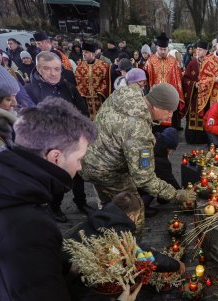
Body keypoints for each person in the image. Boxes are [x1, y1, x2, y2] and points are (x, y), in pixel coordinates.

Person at [0, 97, 97, 300]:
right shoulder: (27, 227)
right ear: (55, 157)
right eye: (79, 159)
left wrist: (62, 267)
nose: (80, 167)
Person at [80, 83, 197, 236]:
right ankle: (131, 246)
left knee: (111, 204)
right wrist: (176, 194)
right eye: (168, 110)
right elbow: (145, 179)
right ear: (154, 106)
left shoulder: (128, 92)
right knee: (134, 208)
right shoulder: (139, 133)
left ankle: (107, 224)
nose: (170, 115)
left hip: (89, 156)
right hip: (106, 170)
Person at [66, 191, 184, 300]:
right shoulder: (119, 233)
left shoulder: (95, 220)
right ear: (132, 216)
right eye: (137, 218)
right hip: (81, 288)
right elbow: (149, 257)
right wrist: (176, 265)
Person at [24, 51, 91, 222]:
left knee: (78, 174)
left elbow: (82, 110)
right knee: (57, 178)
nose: (53, 73)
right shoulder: (29, 91)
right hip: (48, 145)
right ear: (39, 69)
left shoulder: (68, 87)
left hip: (72, 139)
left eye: (57, 69)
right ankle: (54, 207)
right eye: (47, 69)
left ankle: (81, 202)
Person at [139, 127, 181, 217]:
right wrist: (181, 193)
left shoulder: (152, 140)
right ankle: (141, 208)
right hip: (137, 186)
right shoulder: (161, 161)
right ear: (168, 148)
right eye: (172, 150)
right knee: (152, 184)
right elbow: (169, 180)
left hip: (130, 178)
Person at [145, 33, 184, 129]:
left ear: (168, 49)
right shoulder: (150, 61)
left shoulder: (173, 62)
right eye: (160, 49)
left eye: (164, 49)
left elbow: (178, 81)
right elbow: (147, 79)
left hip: (169, 96)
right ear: (157, 48)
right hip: (156, 96)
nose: (162, 52)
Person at [181, 40, 209, 144]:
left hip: (206, 97)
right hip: (194, 97)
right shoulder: (192, 63)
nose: (197, 51)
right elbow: (185, 79)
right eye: (197, 49)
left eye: (200, 50)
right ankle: (191, 139)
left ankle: (203, 139)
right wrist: (194, 84)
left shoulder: (209, 63)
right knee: (192, 117)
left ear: (206, 51)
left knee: (204, 116)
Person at [74, 41, 111, 120]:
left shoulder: (103, 66)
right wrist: (83, 93)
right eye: (83, 52)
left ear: (93, 54)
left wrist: (100, 92)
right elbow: (78, 82)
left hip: (100, 99)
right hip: (86, 101)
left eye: (86, 52)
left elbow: (106, 82)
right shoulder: (80, 67)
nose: (84, 54)